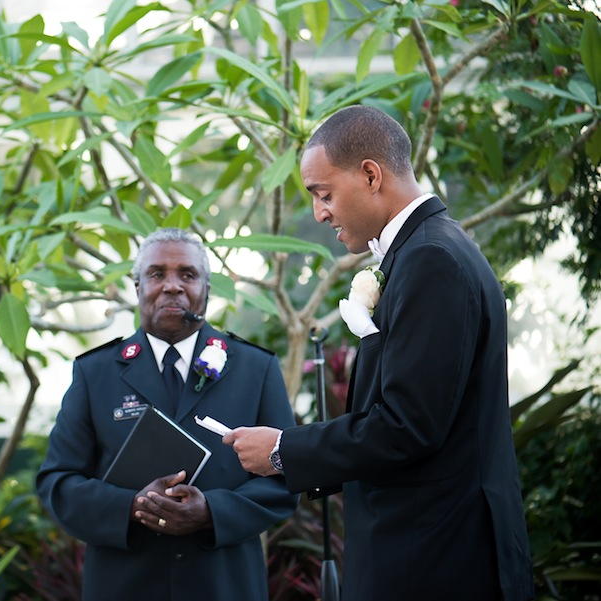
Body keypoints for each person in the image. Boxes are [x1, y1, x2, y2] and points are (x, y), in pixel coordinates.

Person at [225, 105, 535, 601]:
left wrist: (284, 450)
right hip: (426, 552)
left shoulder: (431, 259)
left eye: (324, 194)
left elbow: (406, 426)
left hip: (436, 561)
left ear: (371, 174)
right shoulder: (426, 251)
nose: (320, 213)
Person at [36, 228, 298, 601]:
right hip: (125, 586)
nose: (172, 286)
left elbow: (284, 477)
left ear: (207, 288)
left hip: (223, 585)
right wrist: (133, 506)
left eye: (187, 275)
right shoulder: (95, 373)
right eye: (157, 274)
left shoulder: (256, 369)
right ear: (138, 287)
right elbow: (56, 483)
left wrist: (211, 511)